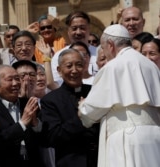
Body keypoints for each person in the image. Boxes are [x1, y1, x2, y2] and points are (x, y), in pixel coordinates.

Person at [78, 24, 160, 167]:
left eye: (103, 48)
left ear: (110, 45)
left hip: (126, 138)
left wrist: (82, 106)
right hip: (154, 135)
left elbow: (91, 111)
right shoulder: (151, 65)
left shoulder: (112, 67)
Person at [40, 48, 99, 167]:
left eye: (79, 65)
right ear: (59, 70)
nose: (74, 70)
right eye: (69, 66)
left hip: (101, 159)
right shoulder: (50, 100)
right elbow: (52, 137)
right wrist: (79, 118)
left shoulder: (95, 92)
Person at [0, 65, 44, 167]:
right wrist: (22, 124)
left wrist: (36, 124)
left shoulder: (29, 104)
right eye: (10, 79)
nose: (15, 83)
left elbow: (44, 137)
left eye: (17, 79)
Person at [51, 11, 98, 85]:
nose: (78, 32)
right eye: (74, 28)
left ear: (89, 29)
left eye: (82, 28)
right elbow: (57, 84)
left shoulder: (100, 54)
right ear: (68, 31)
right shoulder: (58, 56)